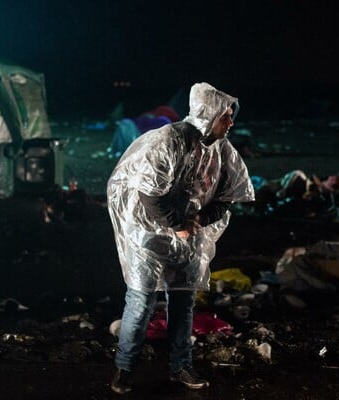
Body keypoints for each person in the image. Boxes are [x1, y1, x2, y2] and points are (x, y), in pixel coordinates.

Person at [107, 82, 255, 394]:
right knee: (141, 301)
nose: (231, 122)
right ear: (208, 114)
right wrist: (176, 224)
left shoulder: (222, 151)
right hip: (148, 234)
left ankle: (180, 366)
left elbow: (228, 196)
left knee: (183, 301)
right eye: (226, 116)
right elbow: (149, 194)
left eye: (231, 116)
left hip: (189, 237)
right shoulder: (167, 141)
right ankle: (124, 369)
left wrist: (200, 219)